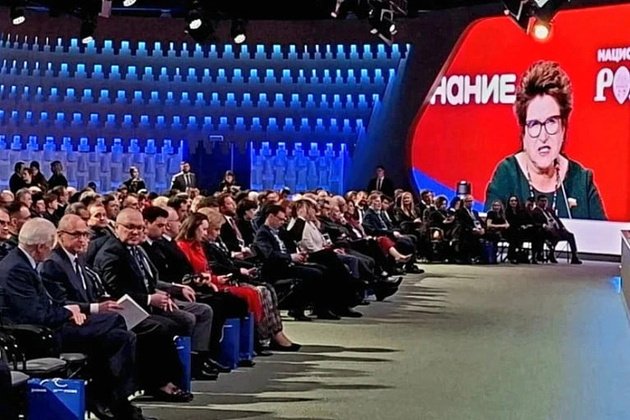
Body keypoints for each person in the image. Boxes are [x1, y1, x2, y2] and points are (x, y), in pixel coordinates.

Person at [0, 218, 148, 419]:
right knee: (115, 320)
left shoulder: (24, 263)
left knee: (121, 337)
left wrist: (69, 309)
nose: (52, 249)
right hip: (35, 336)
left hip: (48, 326)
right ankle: (112, 403)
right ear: (41, 247)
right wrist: (69, 312)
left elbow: (46, 305)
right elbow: (37, 316)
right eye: (51, 244)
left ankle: (111, 401)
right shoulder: (16, 269)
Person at [484, 60, 606, 220]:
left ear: (563, 127)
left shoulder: (582, 182)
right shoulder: (506, 176)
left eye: (551, 122)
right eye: (534, 124)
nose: (543, 137)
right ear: (524, 132)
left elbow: (603, 235)